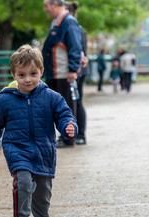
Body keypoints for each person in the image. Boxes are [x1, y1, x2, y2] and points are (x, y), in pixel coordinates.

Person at [0, 45, 77, 217]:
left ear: (41, 72)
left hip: (44, 151)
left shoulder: (51, 97)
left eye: (33, 74)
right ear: (14, 75)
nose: (28, 79)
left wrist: (69, 127)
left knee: (43, 194)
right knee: (24, 182)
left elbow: (64, 114)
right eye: (22, 74)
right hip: (17, 150)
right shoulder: (5, 100)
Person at [42, 0, 82, 147]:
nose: (45, 10)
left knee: (66, 107)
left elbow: (75, 47)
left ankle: (68, 137)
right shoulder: (57, 22)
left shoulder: (68, 22)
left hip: (63, 73)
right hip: (55, 73)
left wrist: (72, 70)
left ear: (55, 4)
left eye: (47, 6)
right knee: (55, 107)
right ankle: (62, 136)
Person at [66, 1, 88, 145]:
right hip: (79, 69)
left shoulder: (74, 28)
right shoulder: (79, 28)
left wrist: (73, 69)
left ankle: (79, 134)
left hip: (77, 70)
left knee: (76, 102)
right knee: (77, 101)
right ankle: (79, 134)